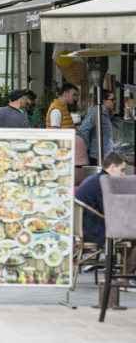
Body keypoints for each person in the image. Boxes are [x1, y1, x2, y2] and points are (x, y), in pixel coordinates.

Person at [75, 152, 136, 284]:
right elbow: (110, 211)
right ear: (112, 167)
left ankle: (125, 272)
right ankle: (126, 276)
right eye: (122, 170)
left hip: (86, 226)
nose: (123, 175)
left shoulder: (96, 179)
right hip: (95, 229)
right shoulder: (103, 182)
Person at [79, 88, 115, 166]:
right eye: (112, 99)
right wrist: (86, 148)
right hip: (96, 156)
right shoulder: (96, 112)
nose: (114, 102)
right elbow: (83, 129)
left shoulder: (105, 113)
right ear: (104, 101)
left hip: (104, 154)